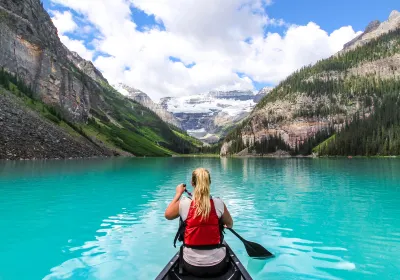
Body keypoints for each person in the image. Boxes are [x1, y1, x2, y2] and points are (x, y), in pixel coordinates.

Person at [164, 168, 234, 277]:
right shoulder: (218, 203)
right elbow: (230, 224)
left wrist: (178, 194)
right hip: (217, 265)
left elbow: (167, 215)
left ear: (192, 183)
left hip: (190, 264)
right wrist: (223, 224)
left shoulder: (184, 203)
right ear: (209, 182)